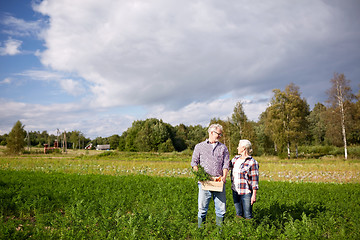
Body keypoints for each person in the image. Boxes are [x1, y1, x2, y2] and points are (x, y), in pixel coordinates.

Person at [191, 123, 230, 228]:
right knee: (202, 209)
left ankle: (219, 233)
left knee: (221, 209)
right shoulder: (199, 146)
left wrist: (224, 177)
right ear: (212, 132)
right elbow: (194, 163)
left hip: (218, 182)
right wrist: (200, 176)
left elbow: (226, 164)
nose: (220, 136)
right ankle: (201, 231)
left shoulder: (223, 148)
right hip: (204, 183)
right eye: (219, 134)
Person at [230, 139, 259, 219]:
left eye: (238, 146)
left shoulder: (252, 162)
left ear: (243, 148)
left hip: (246, 192)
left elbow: (255, 180)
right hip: (235, 190)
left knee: (248, 215)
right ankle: (240, 230)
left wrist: (254, 195)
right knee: (238, 213)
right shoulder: (235, 159)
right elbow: (226, 167)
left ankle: (248, 230)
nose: (237, 148)